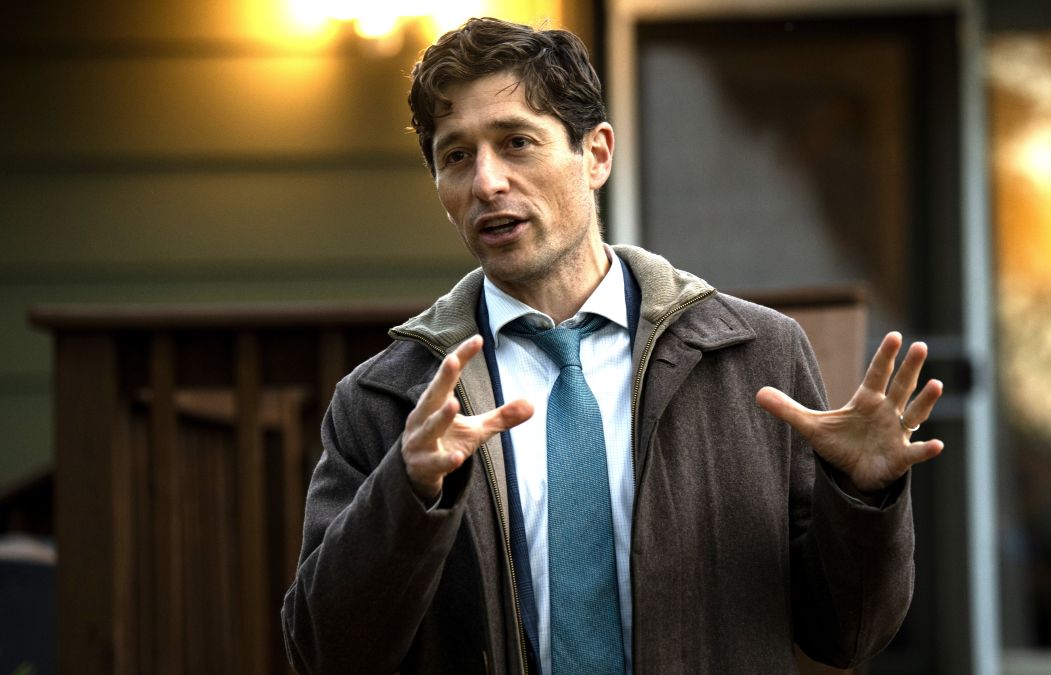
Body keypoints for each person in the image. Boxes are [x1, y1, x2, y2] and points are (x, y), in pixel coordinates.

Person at [281, 17, 944, 675]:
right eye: (456, 156)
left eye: (516, 142)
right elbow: (326, 652)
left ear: (596, 154)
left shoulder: (756, 356)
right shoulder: (386, 399)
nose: (486, 182)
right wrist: (407, 492)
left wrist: (863, 497)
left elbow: (848, 633)